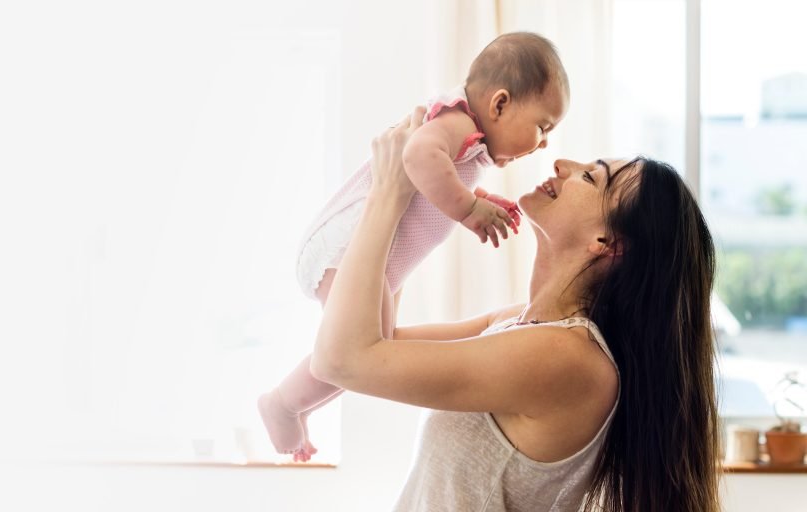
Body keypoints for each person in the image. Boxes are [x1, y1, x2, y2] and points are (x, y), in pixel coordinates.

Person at [311, 108, 721, 511]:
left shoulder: (566, 357)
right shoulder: (519, 324)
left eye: (590, 177)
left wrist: (388, 192)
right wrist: (416, 207)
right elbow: (376, 338)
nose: (562, 163)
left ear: (605, 243)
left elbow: (344, 360)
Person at [259, 32, 569, 461]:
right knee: (362, 352)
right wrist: (467, 209)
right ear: (499, 104)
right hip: (348, 243)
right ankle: (282, 404)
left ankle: (296, 406)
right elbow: (418, 156)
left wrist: (476, 202)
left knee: (370, 350)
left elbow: (437, 184)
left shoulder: (469, 138)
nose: (545, 143)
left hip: (371, 255)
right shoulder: (459, 121)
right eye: (543, 126)